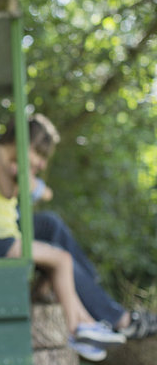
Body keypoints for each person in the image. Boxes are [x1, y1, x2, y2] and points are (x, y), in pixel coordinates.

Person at [0, 122, 126, 361]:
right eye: (36, 153)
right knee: (62, 260)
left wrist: (28, 178)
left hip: (0, 237)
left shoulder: (10, 162)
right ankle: (74, 330)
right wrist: (24, 177)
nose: (39, 162)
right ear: (21, 143)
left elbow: (42, 192)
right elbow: (8, 191)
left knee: (58, 262)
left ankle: (87, 325)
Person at [28, 113, 157, 341]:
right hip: (1, 237)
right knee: (59, 248)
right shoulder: (5, 162)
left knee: (51, 223)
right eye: (38, 154)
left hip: (14, 230)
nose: (42, 164)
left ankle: (89, 284)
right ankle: (119, 319)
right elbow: (43, 192)